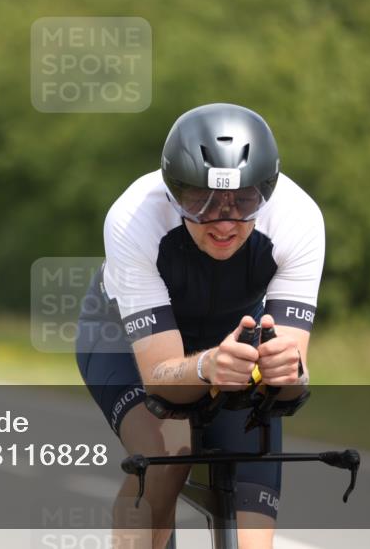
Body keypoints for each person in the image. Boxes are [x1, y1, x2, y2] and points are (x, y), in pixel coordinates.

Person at [76, 103, 323, 549]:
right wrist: (208, 366)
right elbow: (161, 379)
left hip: (232, 337)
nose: (223, 220)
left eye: (243, 200)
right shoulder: (134, 216)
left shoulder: (297, 218)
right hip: (124, 341)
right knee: (165, 458)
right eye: (200, 200)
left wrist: (291, 372)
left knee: (252, 540)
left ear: (267, 191)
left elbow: (290, 382)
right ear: (173, 192)